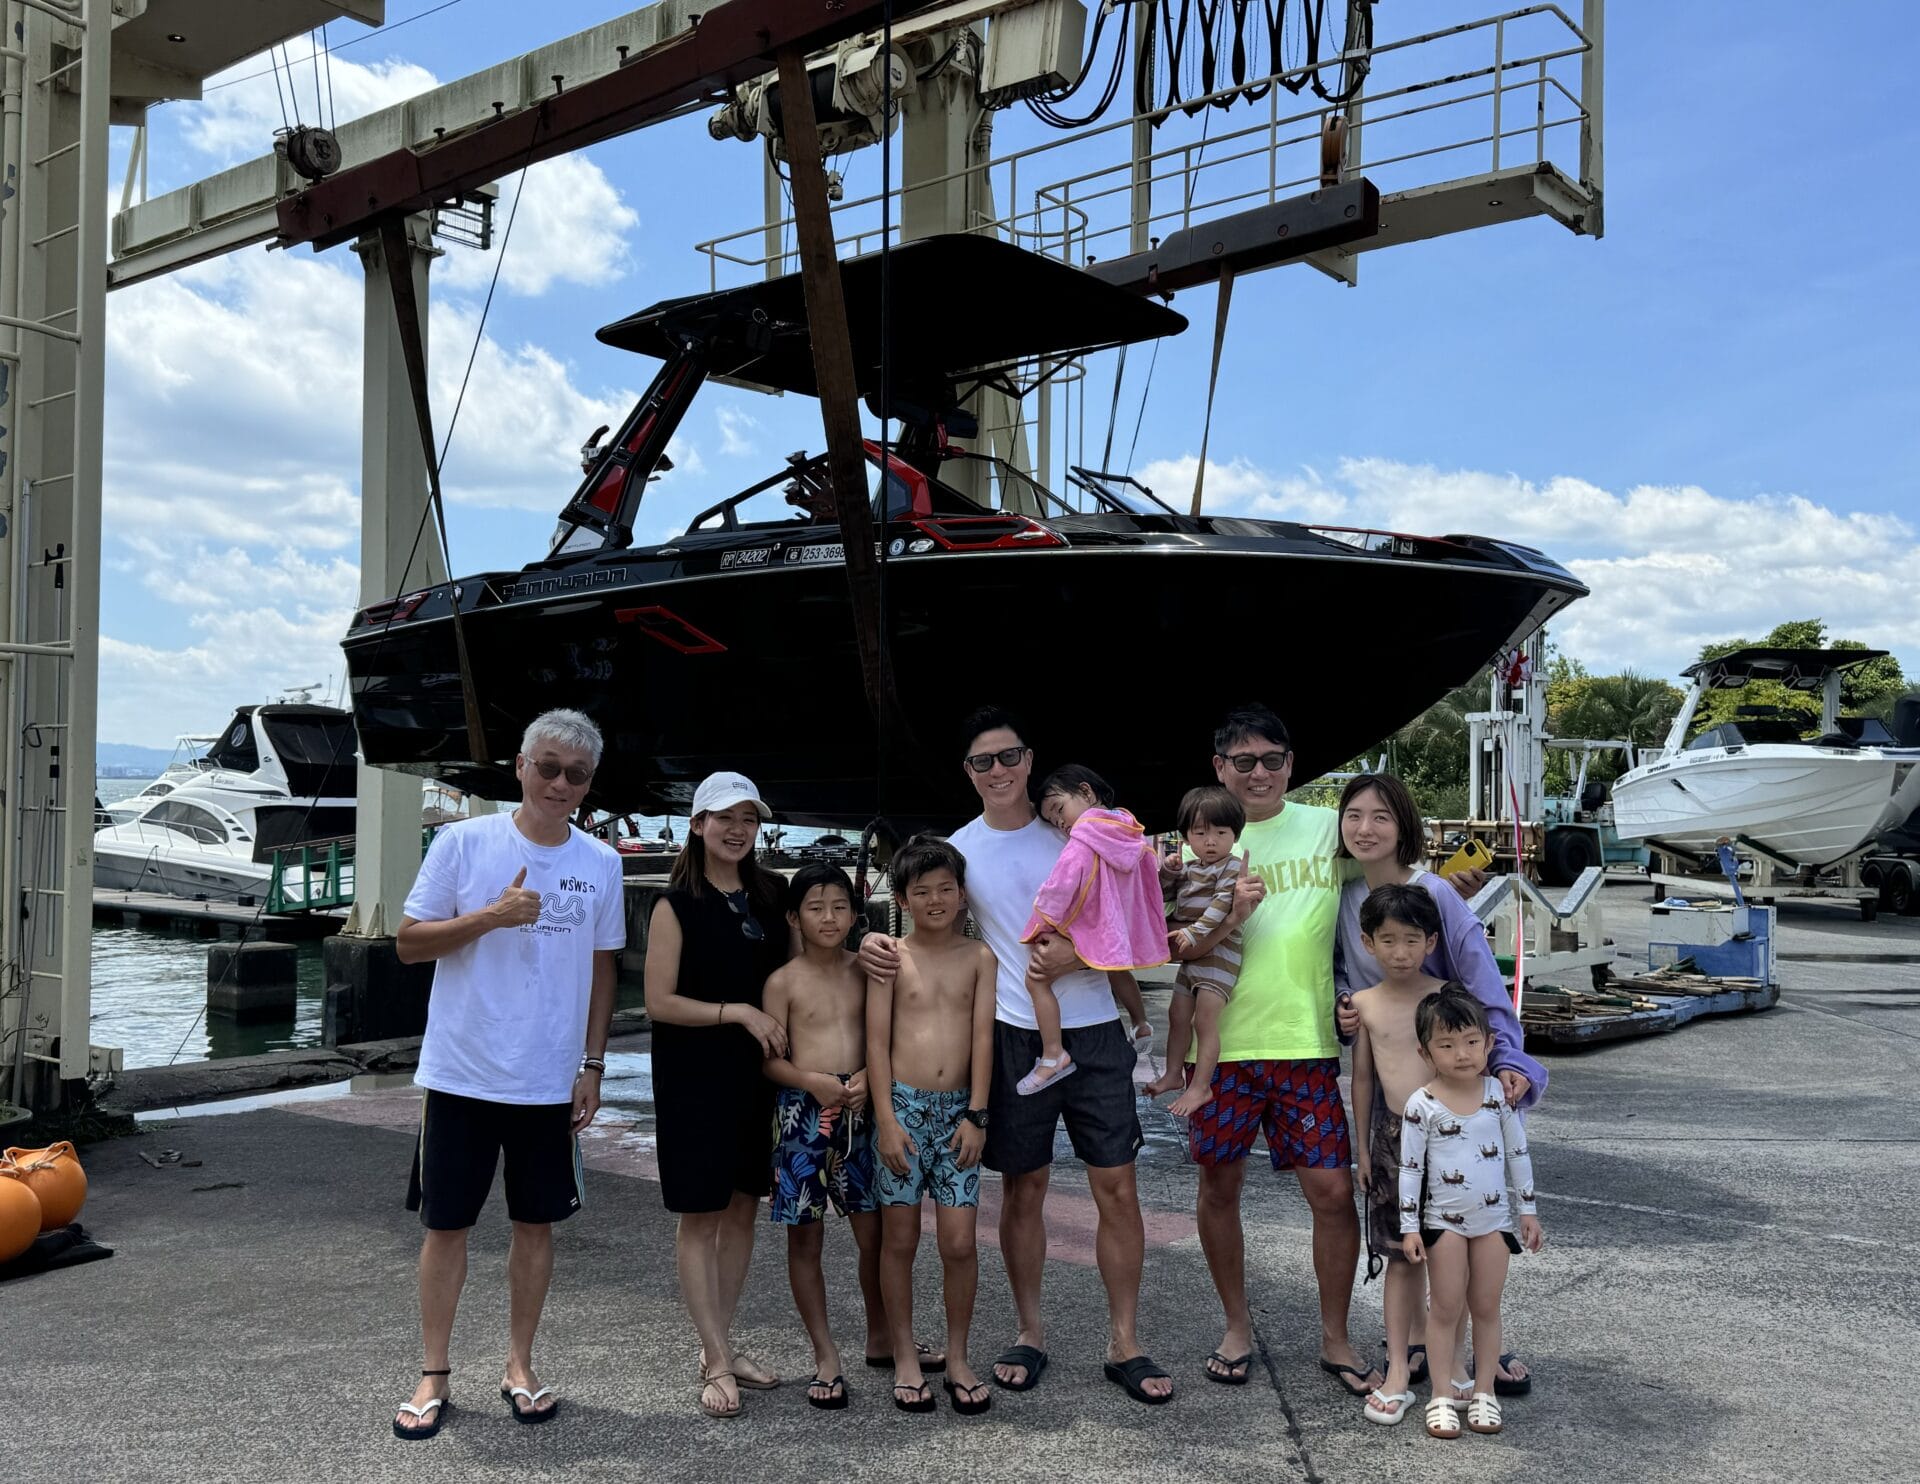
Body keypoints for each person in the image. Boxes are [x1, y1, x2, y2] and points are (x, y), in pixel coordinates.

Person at [859, 707, 1173, 1404]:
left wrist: (1088, 958)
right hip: (1012, 1033)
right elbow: (919, 911)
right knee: (1023, 1188)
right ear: (967, 774)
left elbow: (1134, 913)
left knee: (1117, 1188)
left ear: (1031, 761)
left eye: (1009, 758)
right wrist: (871, 943)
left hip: (1094, 1033)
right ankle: (1030, 1333)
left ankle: (1126, 1339)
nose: (997, 771)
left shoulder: (1077, 833)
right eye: (982, 762)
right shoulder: (960, 851)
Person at [390, 709, 625, 1439]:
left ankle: (520, 1363)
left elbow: (602, 966)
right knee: (447, 1225)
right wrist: (491, 916)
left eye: (576, 774)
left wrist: (593, 1064)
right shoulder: (463, 842)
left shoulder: (602, 863)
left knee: (536, 1225)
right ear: (520, 766)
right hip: (462, 1073)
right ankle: (434, 1370)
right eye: (548, 767)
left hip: (550, 1080)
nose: (560, 783)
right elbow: (408, 943)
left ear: (589, 785)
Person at [1331, 770, 1545, 1398]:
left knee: (1471, 1230)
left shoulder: (1436, 896)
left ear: (1405, 826)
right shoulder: (1344, 899)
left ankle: (1483, 1353)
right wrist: (1347, 1005)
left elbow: (1482, 985)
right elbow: (1346, 977)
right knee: (1411, 1240)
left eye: (1381, 817)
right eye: (1353, 816)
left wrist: (1508, 1061)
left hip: (1456, 1101)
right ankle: (1423, 1346)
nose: (1365, 829)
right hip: (1398, 1114)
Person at [643, 771, 791, 1421]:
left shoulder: (771, 895)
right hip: (694, 1076)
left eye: (748, 818)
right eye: (722, 817)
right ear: (697, 825)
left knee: (741, 1209)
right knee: (699, 1216)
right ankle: (715, 1355)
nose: (736, 829)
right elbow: (658, 1001)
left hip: (756, 1076)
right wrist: (739, 1013)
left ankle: (719, 1350)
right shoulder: (676, 905)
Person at [866, 836, 997, 1416]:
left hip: (957, 1119)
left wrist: (977, 1114)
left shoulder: (979, 958)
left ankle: (959, 1355)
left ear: (963, 896)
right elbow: (875, 1042)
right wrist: (887, 1123)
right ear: (902, 898)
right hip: (903, 1112)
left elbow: (984, 1038)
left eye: (946, 889)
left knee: (960, 1242)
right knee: (899, 1239)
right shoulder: (891, 956)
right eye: (922, 891)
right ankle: (903, 1356)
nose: (936, 900)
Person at [1397, 986, 1544, 1440]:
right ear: (1425, 1052)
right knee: (1444, 1308)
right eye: (1446, 1045)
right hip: (1444, 1225)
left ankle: (1483, 1393)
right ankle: (1442, 1395)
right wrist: (1409, 1227)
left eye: (1471, 1042)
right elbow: (1410, 1168)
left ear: (1487, 1043)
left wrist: (1528, 1210)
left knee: (1486, 1307)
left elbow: (1517, 1153)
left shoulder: (1498, 1096)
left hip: (1495, 1223)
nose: (1461, 1054)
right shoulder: (1421, 1105)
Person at [761, 863, 881, 1411]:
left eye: (839, 907)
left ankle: (881, 1334)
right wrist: (812, 1082)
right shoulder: (782, 982)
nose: (828, 917)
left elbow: (887, 1039)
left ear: (855, 914)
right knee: (804, 1238)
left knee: (873, 1234)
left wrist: (864, 1080)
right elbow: (771, 1065)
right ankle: (825, 1353)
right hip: (801, 1120)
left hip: (862, 1113)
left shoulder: (868, 971)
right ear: (794, 917)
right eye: (815, 907)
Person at [1345, 883, 1451, 1426]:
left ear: (1432, 941)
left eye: (1413, 940)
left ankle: (1449, 1364)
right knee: (1398, 1254)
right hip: (1391, 1138)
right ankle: (1396, 1372)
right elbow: (1362, 1079)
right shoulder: (1362, 1005)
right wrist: (1361, 1148)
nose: (1402, 952)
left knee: (1450, 1252)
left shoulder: (1447, 997)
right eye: (1389, 941)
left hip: (1449, 1139)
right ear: (1367, 943)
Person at [1018, 764, 1162, 1094]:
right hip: (1121, 923)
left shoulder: (1084, 838)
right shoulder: (1128, 828)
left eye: (1059, 810)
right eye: (1054, 822)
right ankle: (1141, 1023)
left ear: (1086, 791)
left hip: (1096, 921)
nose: (1062, 824)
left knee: (1036, 979)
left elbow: (1061, 886)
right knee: (1116, 969)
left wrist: (1040, 916)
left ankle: (1053, 1055)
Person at [1142, 785, 1247, 1117]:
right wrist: (1170, 870)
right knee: (1176, 1015)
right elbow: (1162, 893)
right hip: (1193, 957)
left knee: (1204, 1020)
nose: (1211, 840)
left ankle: (1201, 1086)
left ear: (1235, 834)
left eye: (1220, 832)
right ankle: (1174, 1074)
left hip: (1219, 956)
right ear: (1186, 836)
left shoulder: (1231, 867)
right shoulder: (1190, 867)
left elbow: (1221, 906)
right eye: (1201, 833)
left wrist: (1193, 931)